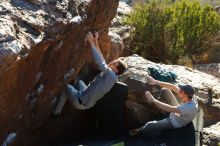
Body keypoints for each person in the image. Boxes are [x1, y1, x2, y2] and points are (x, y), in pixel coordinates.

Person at [53, 31, 127, 115]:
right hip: (88, 103)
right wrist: (95, 41)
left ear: (116, 70)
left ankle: (56, 112)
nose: (112, 62)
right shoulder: (112, 77)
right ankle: (71, 97)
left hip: (80, 102)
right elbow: (102, 60)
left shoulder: (110, 75)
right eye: (114, 61)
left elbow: (99, 62)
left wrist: (90, 41)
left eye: (114, 63)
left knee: (66, 87)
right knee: (79, 82)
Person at [129, 75, 198, 138]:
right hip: (179, 112)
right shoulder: (189, 96)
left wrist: (153, 100)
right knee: (165, 90)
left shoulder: (189, 107)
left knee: (150, 125)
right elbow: (172, 87)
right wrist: (156, 82)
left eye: (181, 90)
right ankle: (159, 107)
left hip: (175, 121)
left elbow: (170, 109)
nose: (179, 90)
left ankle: (141, 130)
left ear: (184, 94)